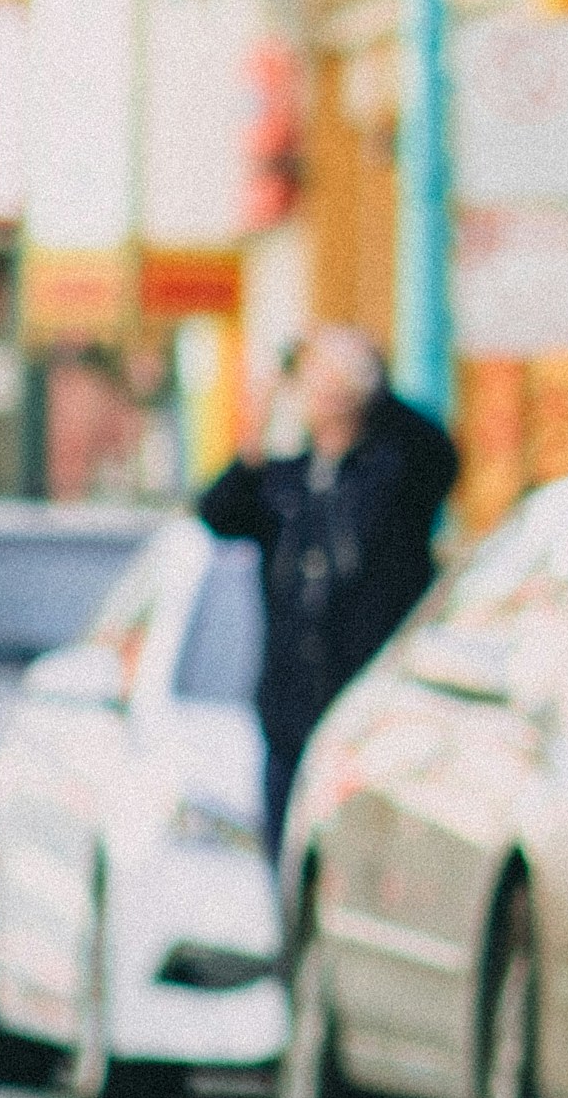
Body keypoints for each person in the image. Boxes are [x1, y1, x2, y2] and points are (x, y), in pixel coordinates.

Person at [197, 322, 460, 851]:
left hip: (372, 713)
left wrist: (373, 388)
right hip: (290, 713)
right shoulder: (284, 480)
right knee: (287, 859)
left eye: (341, 380)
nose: (328, 394)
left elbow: (439, 457)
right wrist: (257, 424)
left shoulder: (391, 473)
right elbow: (218, 511)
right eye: (317, 381)